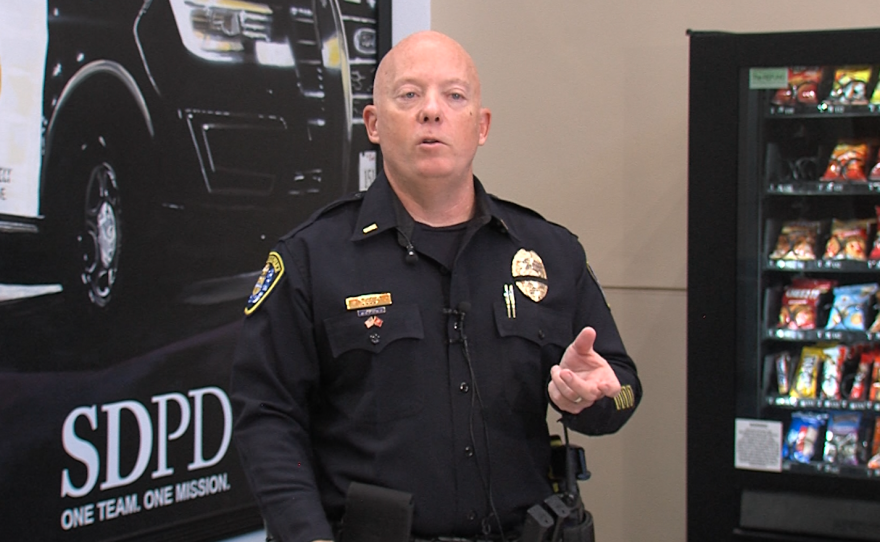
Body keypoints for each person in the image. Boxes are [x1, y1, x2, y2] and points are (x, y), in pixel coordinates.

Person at [230, 30, 641, 542]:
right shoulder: (311, 259)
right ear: (373, 124)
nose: (431, 111)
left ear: (481, 125)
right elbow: (267, 415)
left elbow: (624, 386)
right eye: (409, 95)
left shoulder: (550, 252)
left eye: (454, 95)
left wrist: (596, 398)